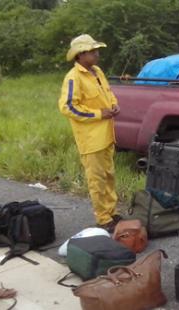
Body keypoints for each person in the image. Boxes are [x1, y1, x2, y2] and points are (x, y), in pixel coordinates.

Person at [58, 34, 121, 232]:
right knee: (97, 179)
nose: (97, 54)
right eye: (92, 51)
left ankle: (111, 212)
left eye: (96, 50)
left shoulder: (97, 71)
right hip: (91, 139)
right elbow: (68, 107)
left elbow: (108, 92)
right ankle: (103, 218)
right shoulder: (73, 78)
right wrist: (98, 113)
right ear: (80, 54)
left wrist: (114, 105)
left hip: (107, 135)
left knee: (109, 176)